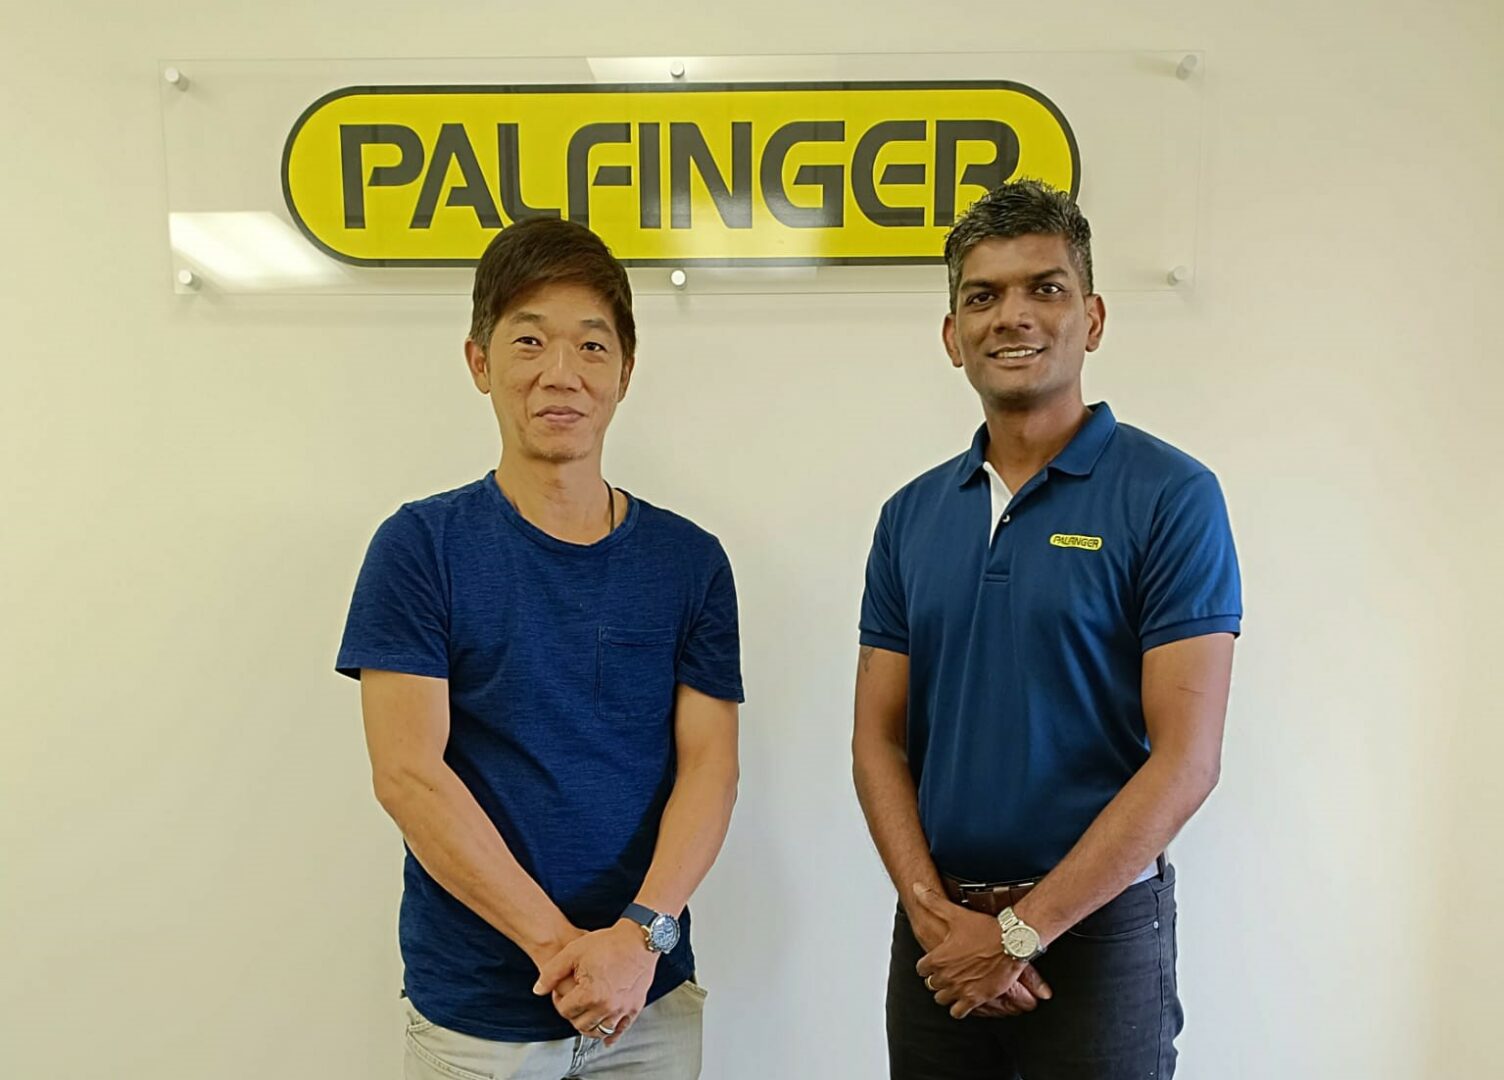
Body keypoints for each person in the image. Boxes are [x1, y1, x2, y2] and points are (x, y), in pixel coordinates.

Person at [337, 218, 743, 1080]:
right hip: (475, 1014)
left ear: (624, 372)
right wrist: (563, 950)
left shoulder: (689, 562)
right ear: (480, 362)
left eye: (592, 345)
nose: (561, 372)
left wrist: (637, 940)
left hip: (650, 1005)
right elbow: (409, 773)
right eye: (529, 340)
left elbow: (711, 767)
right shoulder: (419, 548)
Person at [852, 179, 1241, 1079]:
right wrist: (937, 919)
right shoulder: (908, 516)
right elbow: (877, 740)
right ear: (953, 336)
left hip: (1100, 940)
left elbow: (1187, 759)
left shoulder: (1172, 497)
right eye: (982, 296)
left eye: (1045, 288)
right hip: (938, 940)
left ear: (1092, 318)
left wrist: (1022, 933)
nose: (1011, 316)